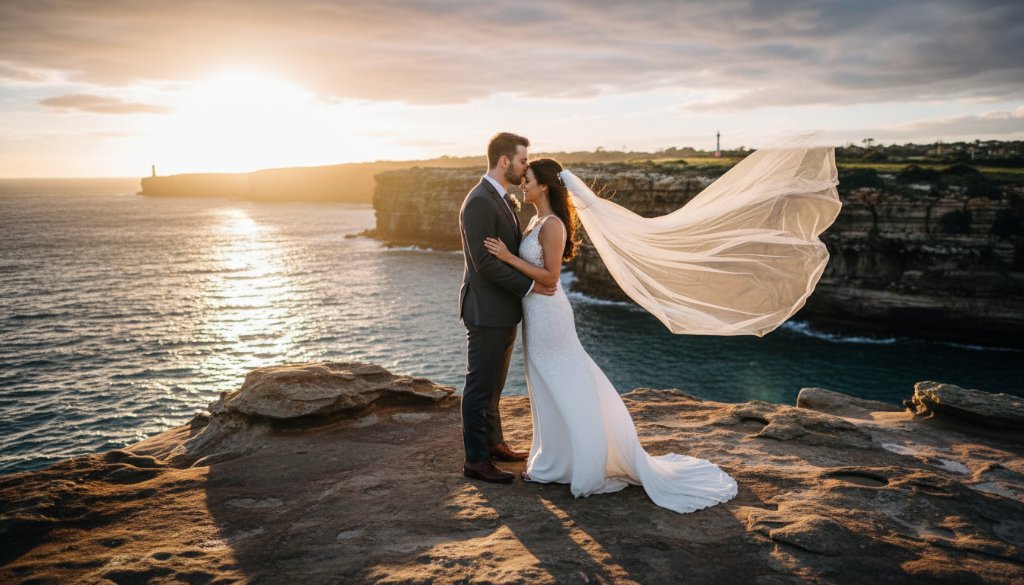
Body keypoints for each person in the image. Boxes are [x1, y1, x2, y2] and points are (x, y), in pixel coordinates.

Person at [484, 158, 739, 513]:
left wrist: (510, 258)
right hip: (536, 315)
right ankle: (553, 463)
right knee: (543, 384)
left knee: (563, 383)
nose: (522, 185)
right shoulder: (535, 220)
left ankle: (577, 464)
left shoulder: (553, 225)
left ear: (544, 185)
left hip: (550, 316)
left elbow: (551, 279)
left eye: (527, 180)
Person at [458, 132, 556, 484]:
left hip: (503, 311)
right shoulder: (481, 201)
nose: (525, 167)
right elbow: (485, 263)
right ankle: (476, 460)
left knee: (495, 385)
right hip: (485, 312)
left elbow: (509, 255)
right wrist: (532, 286)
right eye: (523, 161)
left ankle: (495, 443)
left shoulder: (501, 198)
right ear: (505, 162)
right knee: (479, 386)